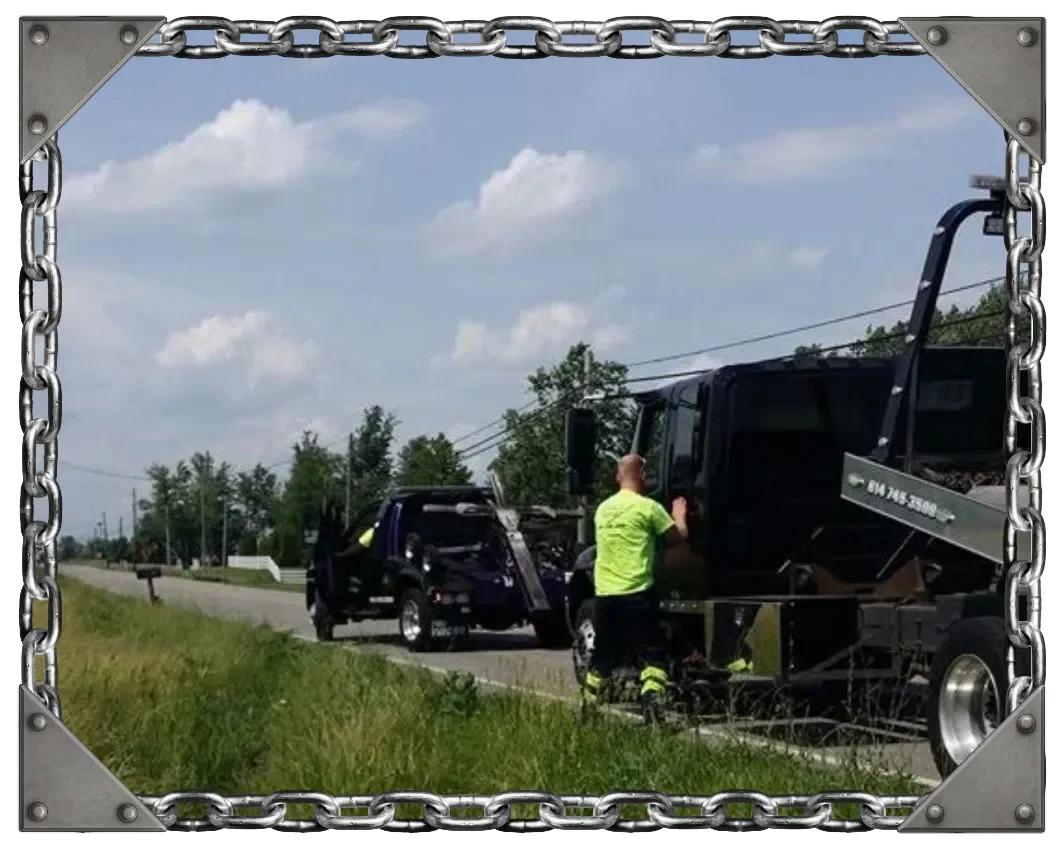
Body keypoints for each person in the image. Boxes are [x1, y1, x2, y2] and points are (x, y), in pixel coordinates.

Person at [583, 454, 688, 724]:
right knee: (652, 655)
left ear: (618, 477)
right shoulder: (649, 508)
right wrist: (679, 515)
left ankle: (588, 708)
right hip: (638, 593)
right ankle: (652, 709)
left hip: (605, 596)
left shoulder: (602, 510)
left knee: (603, 658)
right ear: (643, 476)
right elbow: (678, 539)